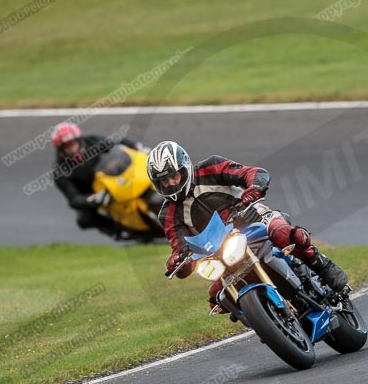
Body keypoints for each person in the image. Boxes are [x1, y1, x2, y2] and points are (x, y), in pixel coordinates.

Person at [147, 141, 349, 309]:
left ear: (185, 167)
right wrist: (177, 261)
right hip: (220, 251)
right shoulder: (168, 214)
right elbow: (179, 246)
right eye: (164, 181)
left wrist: (253, 190)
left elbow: (254, 173)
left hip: (252, 218)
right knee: (217, 297)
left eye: (174, 176)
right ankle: (262, 319)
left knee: (287, 236)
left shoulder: (211, 167)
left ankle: (321, 264)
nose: (171, 184)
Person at [51, 122, 149, 239]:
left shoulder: (92, 140)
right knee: (85, 219)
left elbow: (118, 142)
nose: (71, 148)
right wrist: (93, 199)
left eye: (73, 143)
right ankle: (120, 230)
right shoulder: (60, 170)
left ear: (79, 139)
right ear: (60, 150)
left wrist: (138, 147)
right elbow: (73, 199)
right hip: (96, 192)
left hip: (113, 175)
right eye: (66, 146)